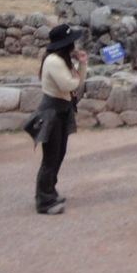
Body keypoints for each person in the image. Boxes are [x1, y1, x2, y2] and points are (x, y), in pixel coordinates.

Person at [24, 24, 88, 215]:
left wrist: (81, 64)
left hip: (62, 109)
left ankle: (50, 191)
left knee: (59, 154)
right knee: (51, 157)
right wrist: (77, 74)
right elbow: (68, 84)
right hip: (51, 111)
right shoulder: (54, 61)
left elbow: (76, 83)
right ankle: (44, 199)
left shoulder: (63, 60)